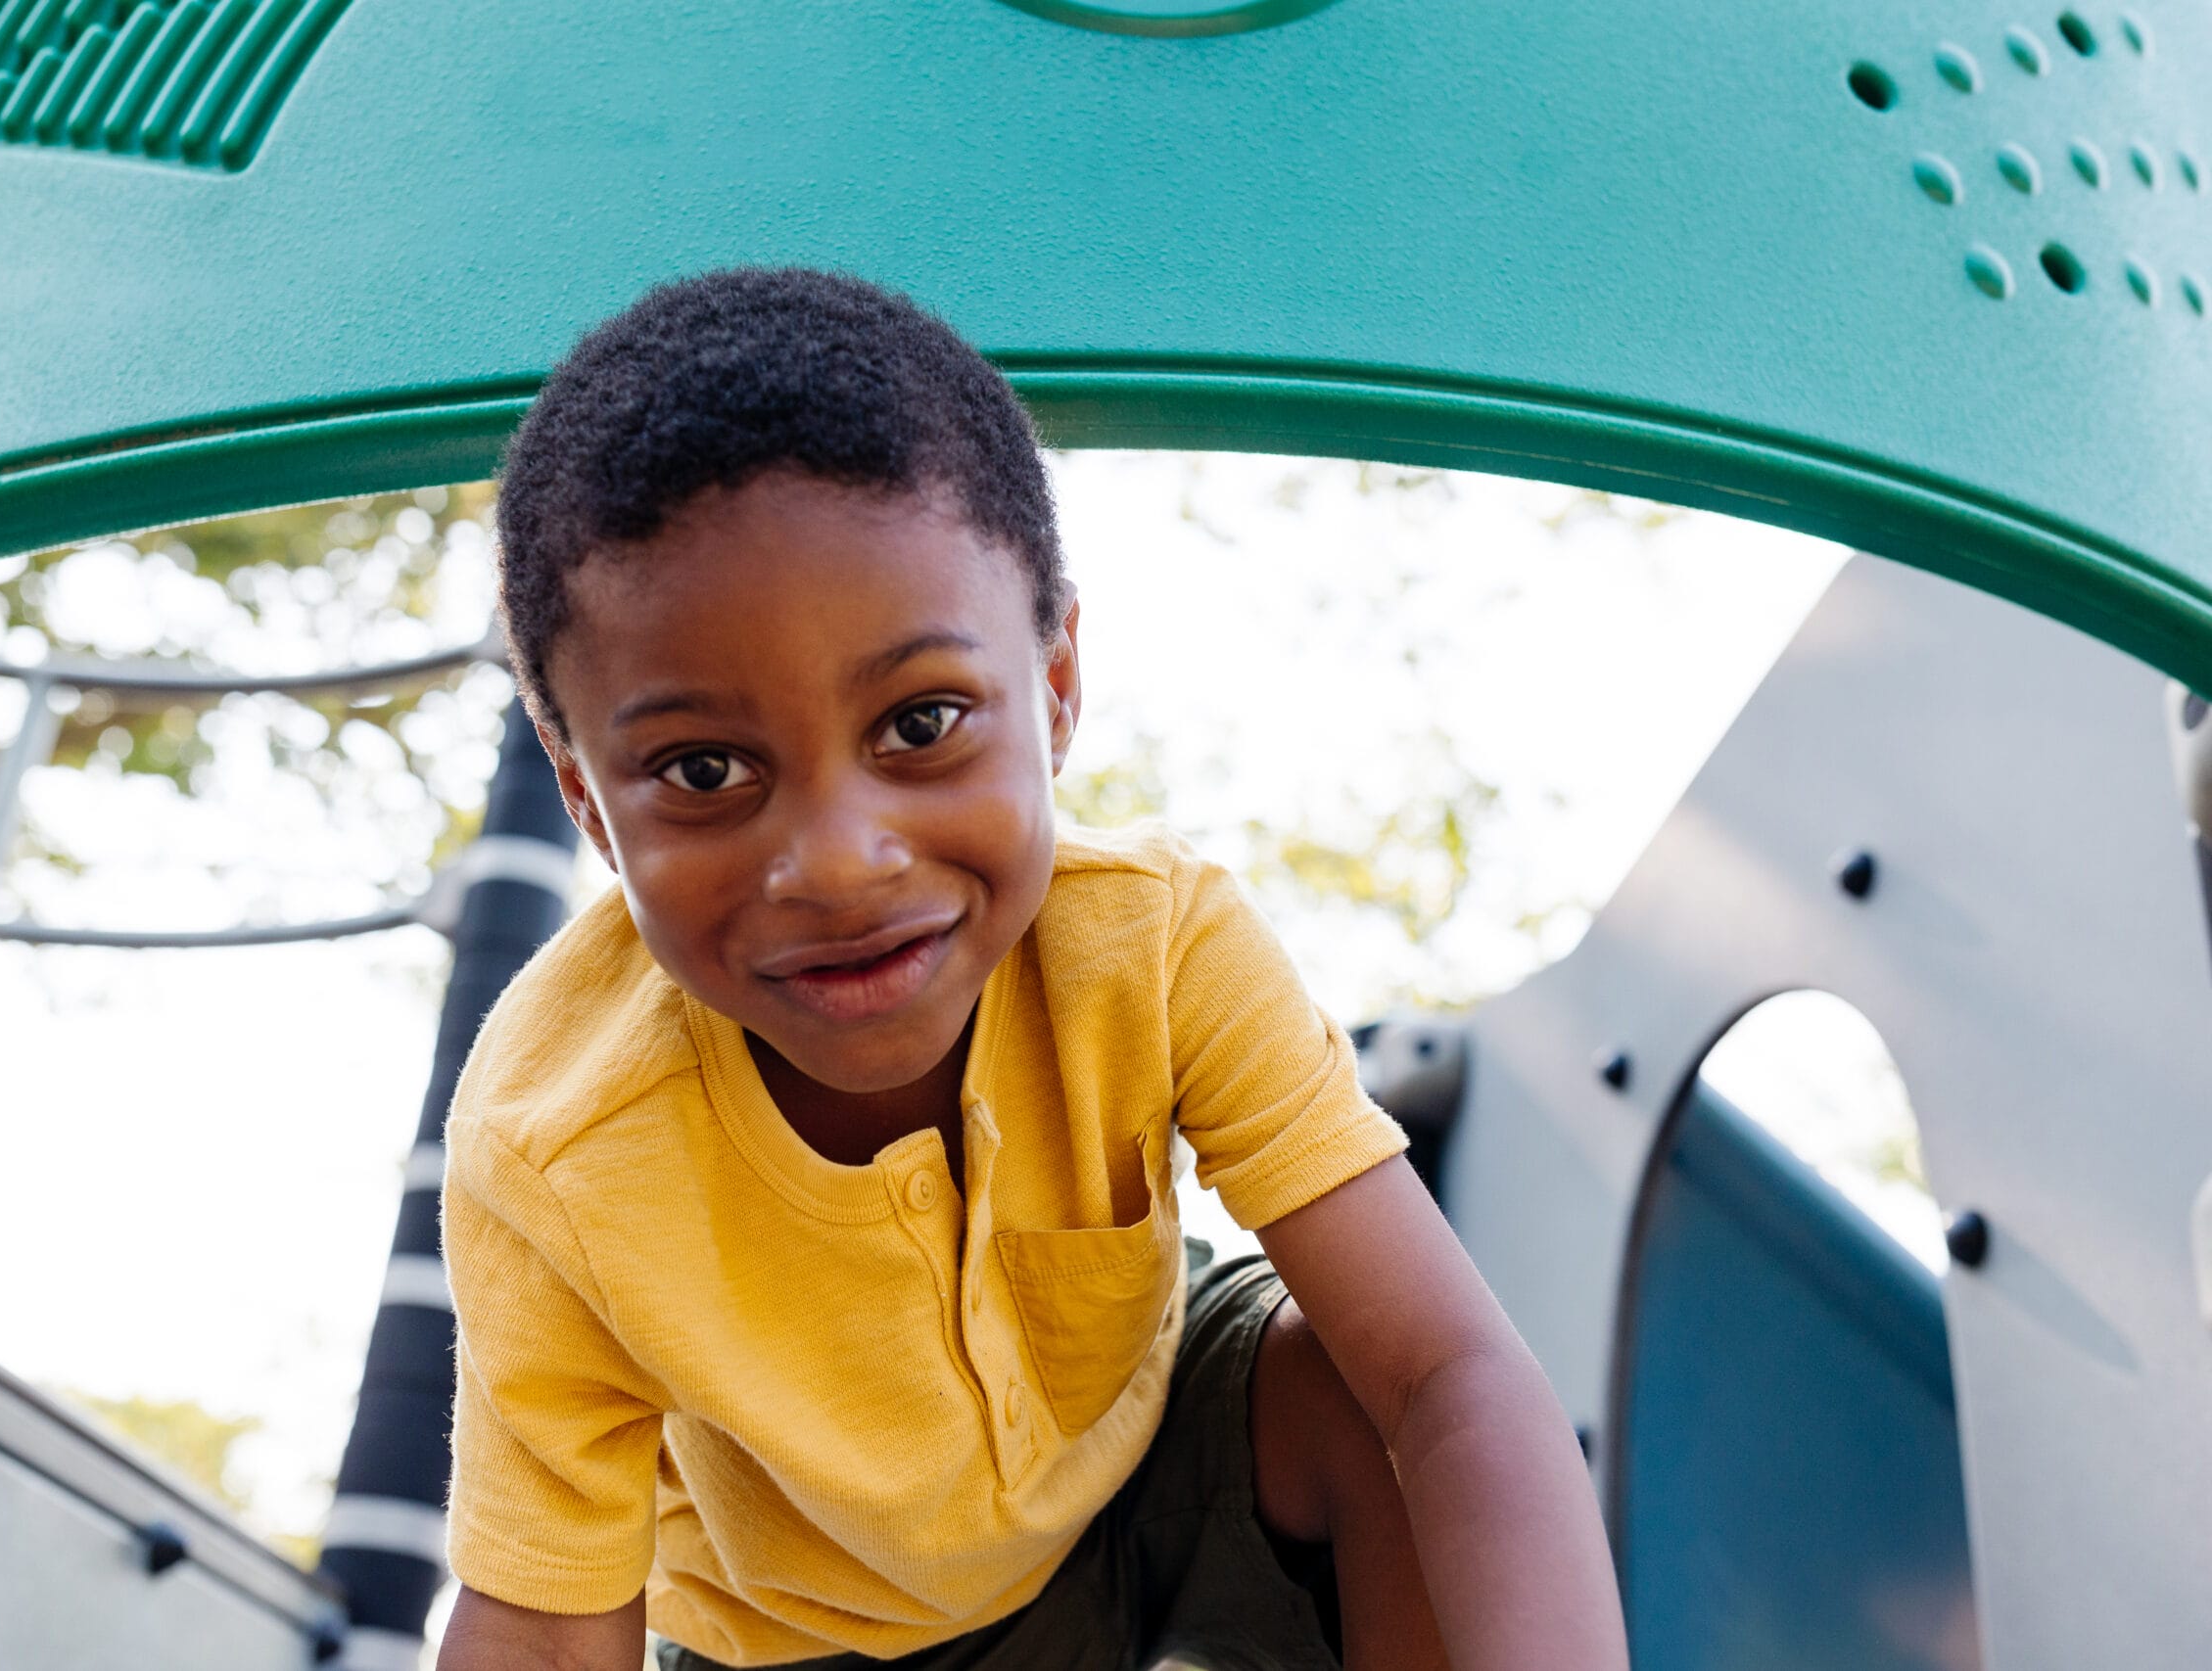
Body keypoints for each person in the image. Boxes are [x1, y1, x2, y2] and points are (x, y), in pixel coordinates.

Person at [435, 268, 1626, 1671]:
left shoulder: (1153, 943)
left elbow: (1445, 1376)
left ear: (1055, 690)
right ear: (588, 804)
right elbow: (542, 1628)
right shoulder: (556, 1151)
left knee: (1363, 1392)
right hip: (806, 1640)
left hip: (1146, 1472)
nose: (839, 859)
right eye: (704, 770)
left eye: (921, 720)